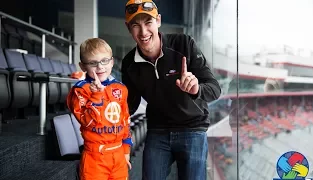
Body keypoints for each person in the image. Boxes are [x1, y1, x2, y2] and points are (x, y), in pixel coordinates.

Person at [121, 0, 221, 179]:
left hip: (193, 128)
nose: (143, 32)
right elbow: (130, 106)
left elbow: (214, 89)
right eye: (136, 25)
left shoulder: (184, 44)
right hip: (158, 130)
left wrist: (196, 88)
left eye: (148, 23)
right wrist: (104, 105)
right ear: (128, 27)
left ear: (158, 21)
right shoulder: (129, 63)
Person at [67, 38, 133, 180]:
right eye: (93, 63)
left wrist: (126, 150)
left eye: (104, 61)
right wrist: (97, 96)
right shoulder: (80, 90)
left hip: (118, 155)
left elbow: (125, 120)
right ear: (83, 66)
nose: (100, 67)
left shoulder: (120, 88)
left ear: (112, 62)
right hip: (95, 157)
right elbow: (87, 122)